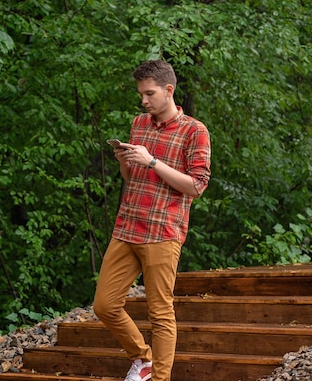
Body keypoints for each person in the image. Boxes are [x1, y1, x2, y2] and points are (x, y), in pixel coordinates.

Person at [93, 60, 211, 381]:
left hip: (163, 231)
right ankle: (142, 358)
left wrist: (153, 161)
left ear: (168, 90)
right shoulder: (139, 123)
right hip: (128, 226)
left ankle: (159, 379)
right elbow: (132, 178)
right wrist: (125, 161)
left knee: (160, 313)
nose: (144, 101)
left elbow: (197, 186)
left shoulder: (194, 130)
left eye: (150, 94)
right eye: (141, 94)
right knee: (104, 305)